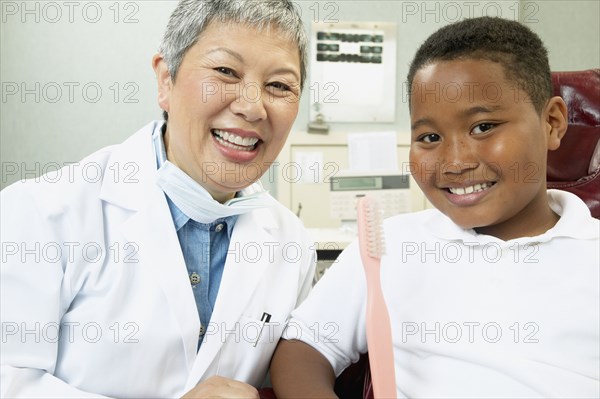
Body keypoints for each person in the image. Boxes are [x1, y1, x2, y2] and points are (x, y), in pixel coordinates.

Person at [270, 16, 599, 398]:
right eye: (429, 136)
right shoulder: (391, 246)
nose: (455, 162)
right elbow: (303, 347)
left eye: (483, 127)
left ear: (553, 123)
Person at [0, 0, 316, 397]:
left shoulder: (291, 243)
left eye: (279, 86)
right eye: (225, 72)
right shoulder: (42, 213)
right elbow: (9, 379)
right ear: (166, 80)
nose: (253, 107)